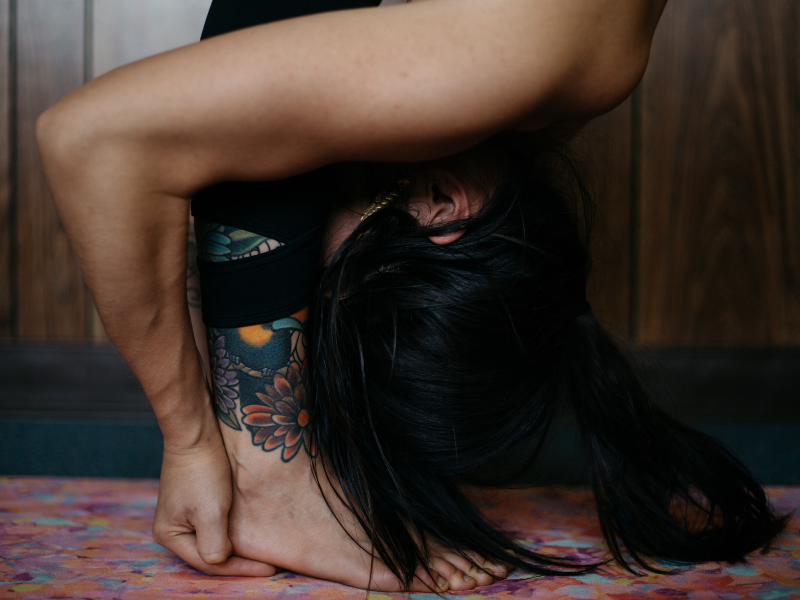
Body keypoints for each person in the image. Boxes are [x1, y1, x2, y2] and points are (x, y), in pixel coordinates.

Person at [35, 0, 787, 592]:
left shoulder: (569, 72)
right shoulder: (493, 63)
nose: (295, 284)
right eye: (318, 286)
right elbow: (94, 140)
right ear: (438, 199)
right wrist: (201, 442)